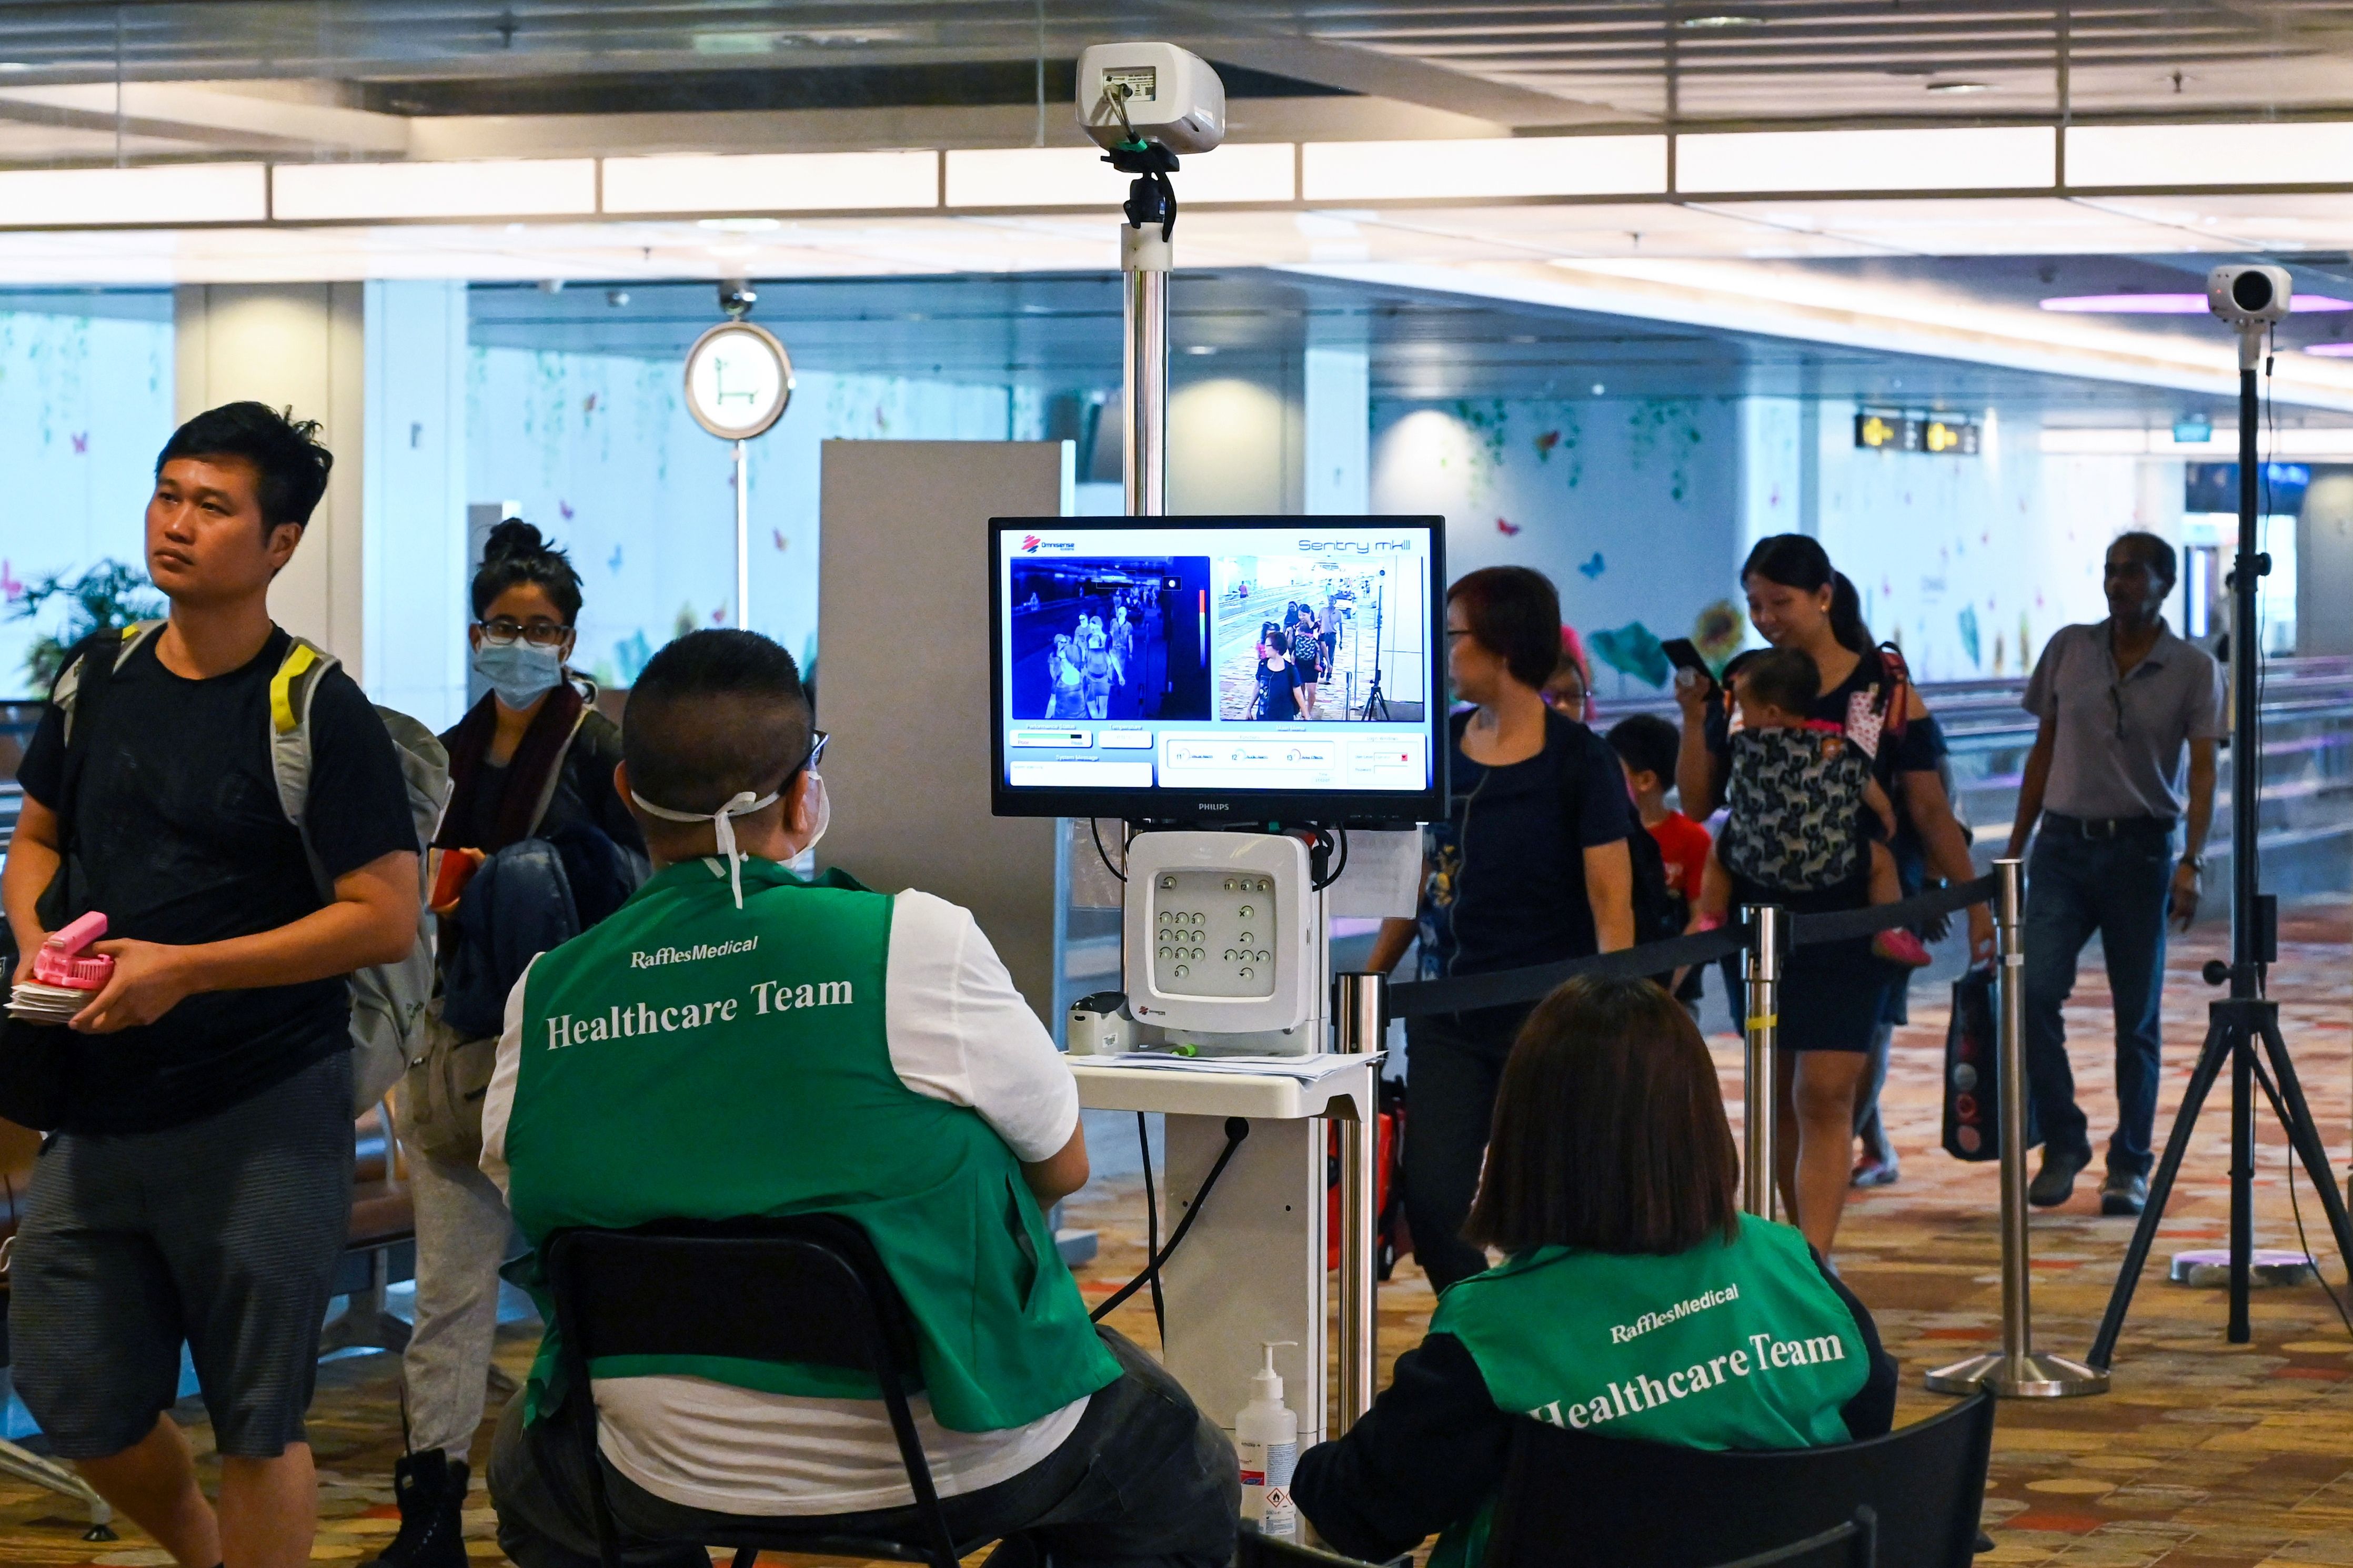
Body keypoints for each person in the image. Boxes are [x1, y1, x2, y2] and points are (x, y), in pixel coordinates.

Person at [481, 630, 1235, 1568]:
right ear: (805, 796)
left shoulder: (546, 993)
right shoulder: (917, 943)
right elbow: (1064, 1164)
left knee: (530, 1471)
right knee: (1178, 1459)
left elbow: (531, 1196)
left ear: (626, 791)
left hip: (659, 1462)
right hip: (956, 1452)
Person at [2, 402, 422, 1568]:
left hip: (264, 1100)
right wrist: (36, 937)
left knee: (257, 1409)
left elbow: (382, 912)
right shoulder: (99, 678)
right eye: (168, 494)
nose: (176, 523)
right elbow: (36, 841)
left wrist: (187, 971)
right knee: (68, 1378)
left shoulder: (315, 706)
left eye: (213, 506)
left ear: (279, 542)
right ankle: (204, 1549)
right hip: (99, 1098)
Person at [1292, 977, 1897, 1568]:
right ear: (1698, 1117)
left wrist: (1283, 1456)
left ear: (1526, 1131)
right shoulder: (1792, 1267)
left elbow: (1360, 1513)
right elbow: (1866, 1430)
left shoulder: (1494, 1334)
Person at [364, 521, 645, 1568]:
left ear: (568, 640)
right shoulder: (440, 752)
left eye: (538, 628)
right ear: (475, 631)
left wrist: (516, 879)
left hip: (566, 1059)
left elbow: (641, 887)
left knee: (584, 1286)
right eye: (500, 624)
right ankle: (429, 1514)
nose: (517, 644)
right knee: (448, 1296)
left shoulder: (604, 753)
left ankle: (608, 1499)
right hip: (452, 1051)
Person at [1676, 535, 1988, 1257]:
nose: (1765, 619)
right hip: (1761, 911)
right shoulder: (1744, 681)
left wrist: (1975, 902)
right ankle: (1800, 1254)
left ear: (1823, 596)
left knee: (1824, 1089)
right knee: (1777, 1087)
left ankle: (1815, 1258)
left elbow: (1927, 807)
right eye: (1754, 605)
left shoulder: (1879, 689)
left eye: (1779, 603)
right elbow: (1697, 801)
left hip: (1852, 914)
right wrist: (1694, 718)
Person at [1365, 566, 1636, 1293]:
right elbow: (1418, 876)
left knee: (1540, 1213)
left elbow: (1612, 902)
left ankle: (1537, 1339)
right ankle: (1479, 1332)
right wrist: (1370, 978)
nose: (1444, 650)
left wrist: (1614, 1018)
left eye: (1454, 635)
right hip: (1446, 1014)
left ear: (1504, 645)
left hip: (1547, 1020)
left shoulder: (1580, 760)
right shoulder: (1441, 745)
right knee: (1433, 1204)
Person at [2013, 531, 2221, 1217]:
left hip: (2141, 853)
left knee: (2136, 1019)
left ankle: (2129, 1163)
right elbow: (2042, 750)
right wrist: (2015, 846)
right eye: (2109, 570)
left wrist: (2192, 859)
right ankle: (2063, 1139)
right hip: (2062, 848)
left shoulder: (2192, 668)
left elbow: (2202, 772)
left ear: (2165, 583)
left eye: (2132, 571)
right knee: (2031, 991)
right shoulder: (2069, 648)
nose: (2117, 582)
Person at [1690, 650, 1931, 970]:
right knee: (1884, 862)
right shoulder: (1835, 745)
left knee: (1716, 853)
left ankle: (1712, 919)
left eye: (1745, 709)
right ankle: (1890, 931)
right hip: (1828, 861)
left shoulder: (1744, 745)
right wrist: (1887, 813)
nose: (1743, 718)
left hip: (1755, 858)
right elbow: (1863, 780)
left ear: (1772, 713)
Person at [1605, 713, 1711, 1013]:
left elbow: (1701, 918)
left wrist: (1670, 981)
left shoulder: (1692, 838)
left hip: (1673, 996)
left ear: (1646, 780)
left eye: (1611, 769)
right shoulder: (1605, 837)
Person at [1254, 620, 1304, 721]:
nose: (1264, 649)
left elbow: (1298, 693)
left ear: (1277, 648)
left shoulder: (1290, 670)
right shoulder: (1263, 665)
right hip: (1263, 716)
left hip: (1284, 718)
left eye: (1267, 646)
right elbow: (1257, 687)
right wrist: (1249, 708)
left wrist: (1306, 714)